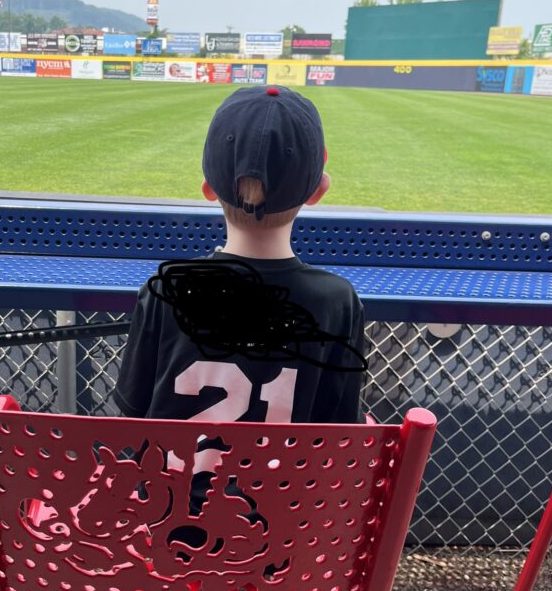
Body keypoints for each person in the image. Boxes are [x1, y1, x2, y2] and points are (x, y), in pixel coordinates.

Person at [114, 84, 367, 426]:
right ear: (318, 192)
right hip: (286, 481)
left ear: (209, 187)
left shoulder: (164, 291)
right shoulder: (338, 302)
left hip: (167, 481)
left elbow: (132, 415)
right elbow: (338, 429)